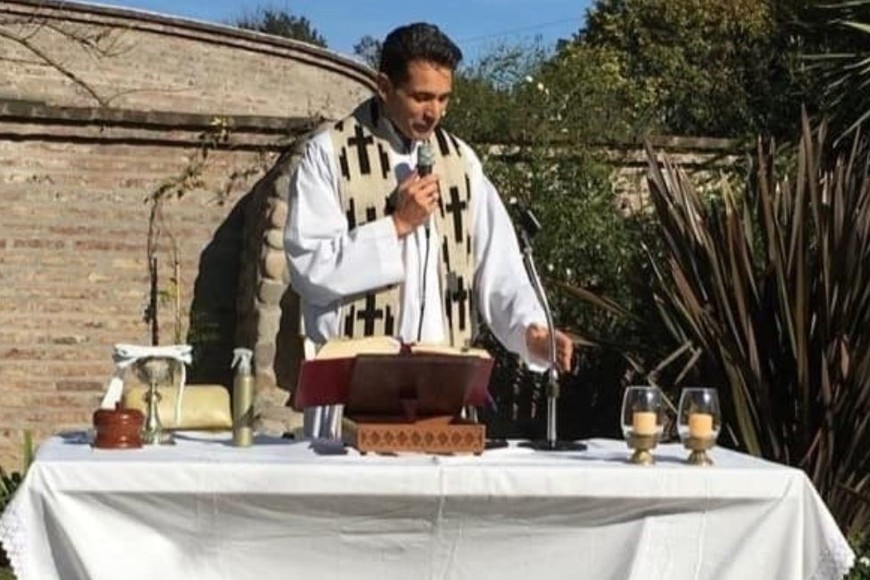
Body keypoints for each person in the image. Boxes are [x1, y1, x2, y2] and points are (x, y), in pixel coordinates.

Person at [284, 23, 574, 434]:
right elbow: (308, 266)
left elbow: (501, 272)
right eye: (420, 96)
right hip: (355, 397)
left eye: (443, 98)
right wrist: (397, 225)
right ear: (384, 86)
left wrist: (532, 335)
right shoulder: (329, 155)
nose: (433, 112)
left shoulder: (461, 163)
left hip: (443, 395)